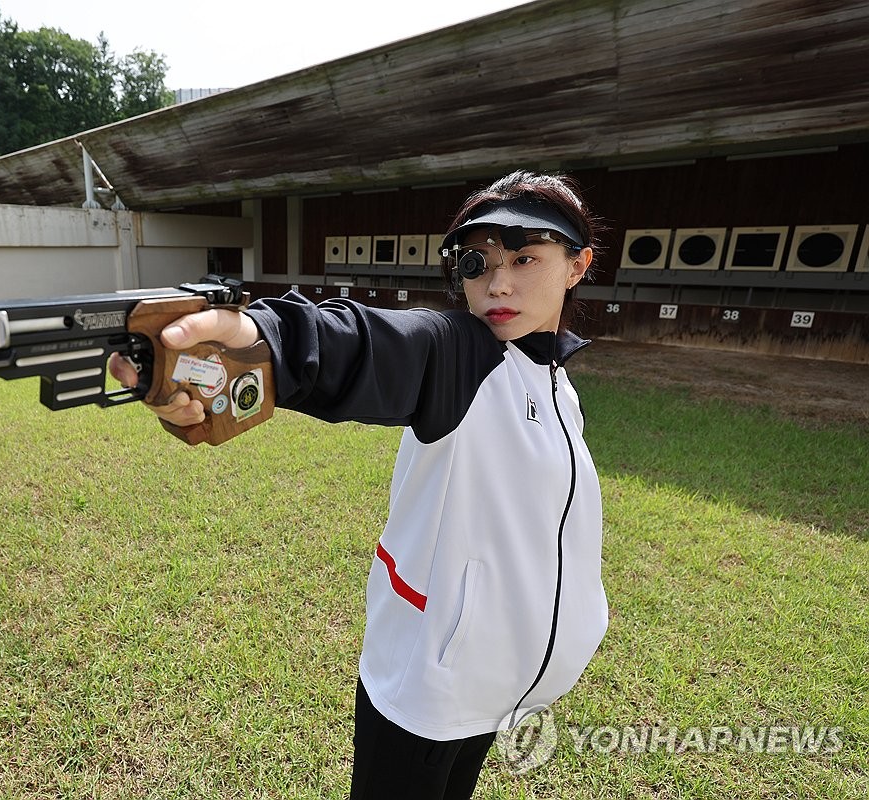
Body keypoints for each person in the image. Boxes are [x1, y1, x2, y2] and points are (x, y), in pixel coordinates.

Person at [109, 170, 608, 799]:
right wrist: (264, 340)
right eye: (478, 263)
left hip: (496, 686)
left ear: (577, 264)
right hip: (427, 690)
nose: (497, 282)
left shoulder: (558, 383)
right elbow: (373, 343)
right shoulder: (461, 353)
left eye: (524, 257)